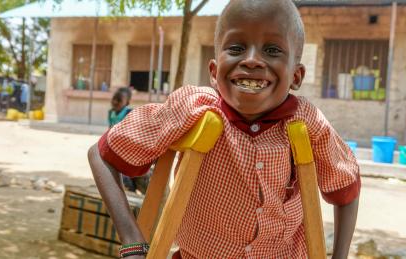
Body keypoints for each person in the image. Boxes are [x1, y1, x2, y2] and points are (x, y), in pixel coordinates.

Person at [88, 0, 360, 258]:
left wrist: (339, 256)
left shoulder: (307, 121)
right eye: (237, 48)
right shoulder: (192, 107)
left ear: (296, 76)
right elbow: (101, 155)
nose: (252, 60)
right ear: (214, 71)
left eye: (272, 50)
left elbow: (346, 183)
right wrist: (132, 241)